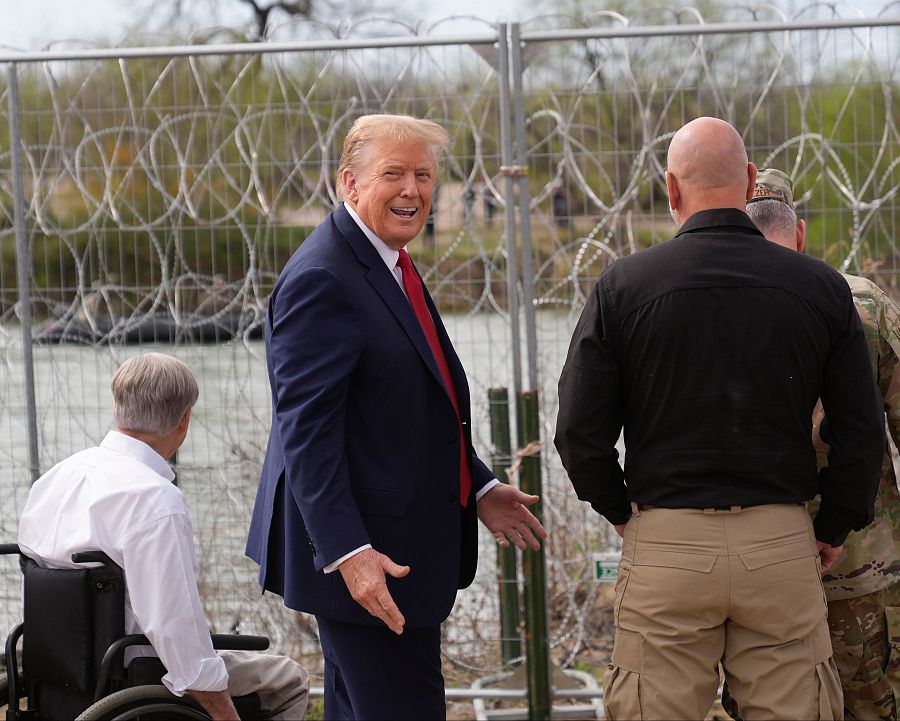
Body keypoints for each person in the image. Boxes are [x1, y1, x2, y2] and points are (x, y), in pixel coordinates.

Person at [554, 117, 884, 720]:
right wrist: (834, 525)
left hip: (666, 541)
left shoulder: (623, 287)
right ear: (751, 180)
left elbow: (578, 430)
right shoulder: (820, 288)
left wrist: (619, 510)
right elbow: (860, 432)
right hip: (782, 542)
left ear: (672, 190)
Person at [245, 113, 547, 720]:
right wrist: (350, 555)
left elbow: (403, 409)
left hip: (394, 553)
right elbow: (308, 434)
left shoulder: (386, 261)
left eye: (424, 176)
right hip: (372, 564)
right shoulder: (324, 278)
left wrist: (477, 485)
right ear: (349, 183)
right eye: (393, 174)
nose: (412, 190)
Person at [18, 353, 309, 721]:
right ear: (185, 420)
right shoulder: (155, 501)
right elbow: (174, 629)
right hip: (135, 676)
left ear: (117, 405)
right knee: (289, 680)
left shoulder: (54, 479)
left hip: (58, 676)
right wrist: (224, 713)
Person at [741, 168, 900, 720]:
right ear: (800, 233)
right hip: (862, 566)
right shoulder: (861, 304)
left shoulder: (707, 305)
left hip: (752, 568)